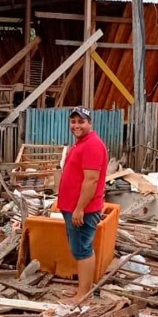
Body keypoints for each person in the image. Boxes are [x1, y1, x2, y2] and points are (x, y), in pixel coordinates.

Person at [57, 106, 108, 304]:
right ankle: (82, 291)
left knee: (83, 249)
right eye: (73, 122)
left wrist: (79, 209)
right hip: (72, 207)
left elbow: (91, 181)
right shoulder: (80, 144)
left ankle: (83, 295)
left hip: (83, 210)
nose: (76, 125)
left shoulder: (92, 145)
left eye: (81, 122)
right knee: (80, 248)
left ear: (90, 123)